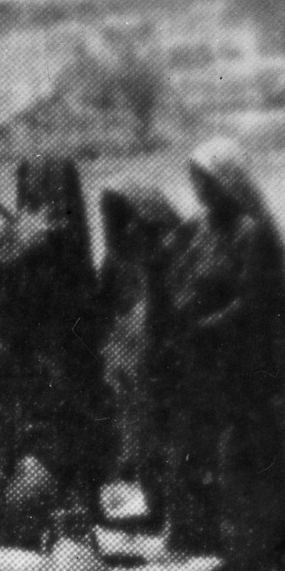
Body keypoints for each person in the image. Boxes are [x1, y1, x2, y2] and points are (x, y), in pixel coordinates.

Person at [158, 136, 285, 571]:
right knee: (219, 454)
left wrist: (203, 326)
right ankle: (232, 545)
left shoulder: (250, 232)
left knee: (244, 455)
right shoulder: (204, 229)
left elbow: (252, 301)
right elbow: (183, 275)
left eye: (206, 181)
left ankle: (249, 556)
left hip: (248, 365)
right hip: (213, 364)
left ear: (227, 181)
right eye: (196, 182)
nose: (200, 191)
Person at [0, 157, 111, 543]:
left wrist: (10, 243)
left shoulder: (48, 239)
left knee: (46, 449)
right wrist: (6, 240)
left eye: (34, 190)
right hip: (44, 361)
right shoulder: (45, 236)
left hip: (45, 364)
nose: (30, 198)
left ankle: (51, 532)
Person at [98, 186, 187, 528]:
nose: (128, 227)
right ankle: (156, 505)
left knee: (167, 433)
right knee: (143, 433)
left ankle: (175, 511)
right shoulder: (117, 257)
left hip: (166, 355)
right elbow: (104, 304)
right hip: (132, 356)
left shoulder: (171, 252)